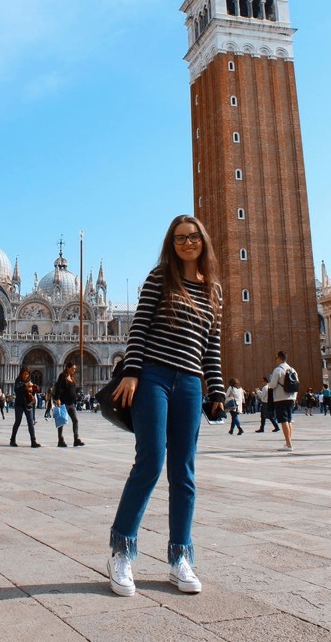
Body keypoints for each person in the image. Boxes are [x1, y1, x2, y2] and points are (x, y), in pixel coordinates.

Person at [107, 214, 224, 597]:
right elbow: (140, 325)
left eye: (193, 237)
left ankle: (180, 558)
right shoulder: (160, 278)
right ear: (170, 244)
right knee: (151, 462)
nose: (187, 243)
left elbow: (212, 347)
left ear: (203, 241)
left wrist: (217, 391)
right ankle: (121, 550)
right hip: (153, 377)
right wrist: (132, 371)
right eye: (179, 238)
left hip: (190, 383)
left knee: (184, 472)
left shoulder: (214, 291)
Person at [269, 351, 297, 452]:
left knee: (284, 420)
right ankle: (288, 442)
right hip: (291, 397)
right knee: (289, 420)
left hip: (280, 398)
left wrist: (269, 384)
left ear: (280, 358)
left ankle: (289, 445)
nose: (275, 360)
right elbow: (296, 384)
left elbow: (272, 385)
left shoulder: (278, 370)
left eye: (276, 358)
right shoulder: (293, 370)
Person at [54, 363, 85, 447]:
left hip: (71, 403)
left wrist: (76, 393)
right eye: (73, 368)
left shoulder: (71, 377)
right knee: (61, 421)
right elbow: (59, 388)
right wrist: (57, 398)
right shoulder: (62, 376)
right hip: (64, 402)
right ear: (68, 368)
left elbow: (72, 389)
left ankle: (76, 439)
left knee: (75, 420)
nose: (74, 370)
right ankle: (60, 440)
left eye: (75, 369)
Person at [9, 367, 41, 448]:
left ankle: (33, 441)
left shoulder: (29, 381)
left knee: (30, 422)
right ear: (21, 373)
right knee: (17, 422)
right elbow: (17, 390)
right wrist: (25, 385)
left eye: (27, 374)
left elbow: (33, 392)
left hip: (28, 404)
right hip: (19, 404)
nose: (26, 376)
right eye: (25, 374)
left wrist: (35, 388)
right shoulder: (18, 380)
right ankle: (12, 440)